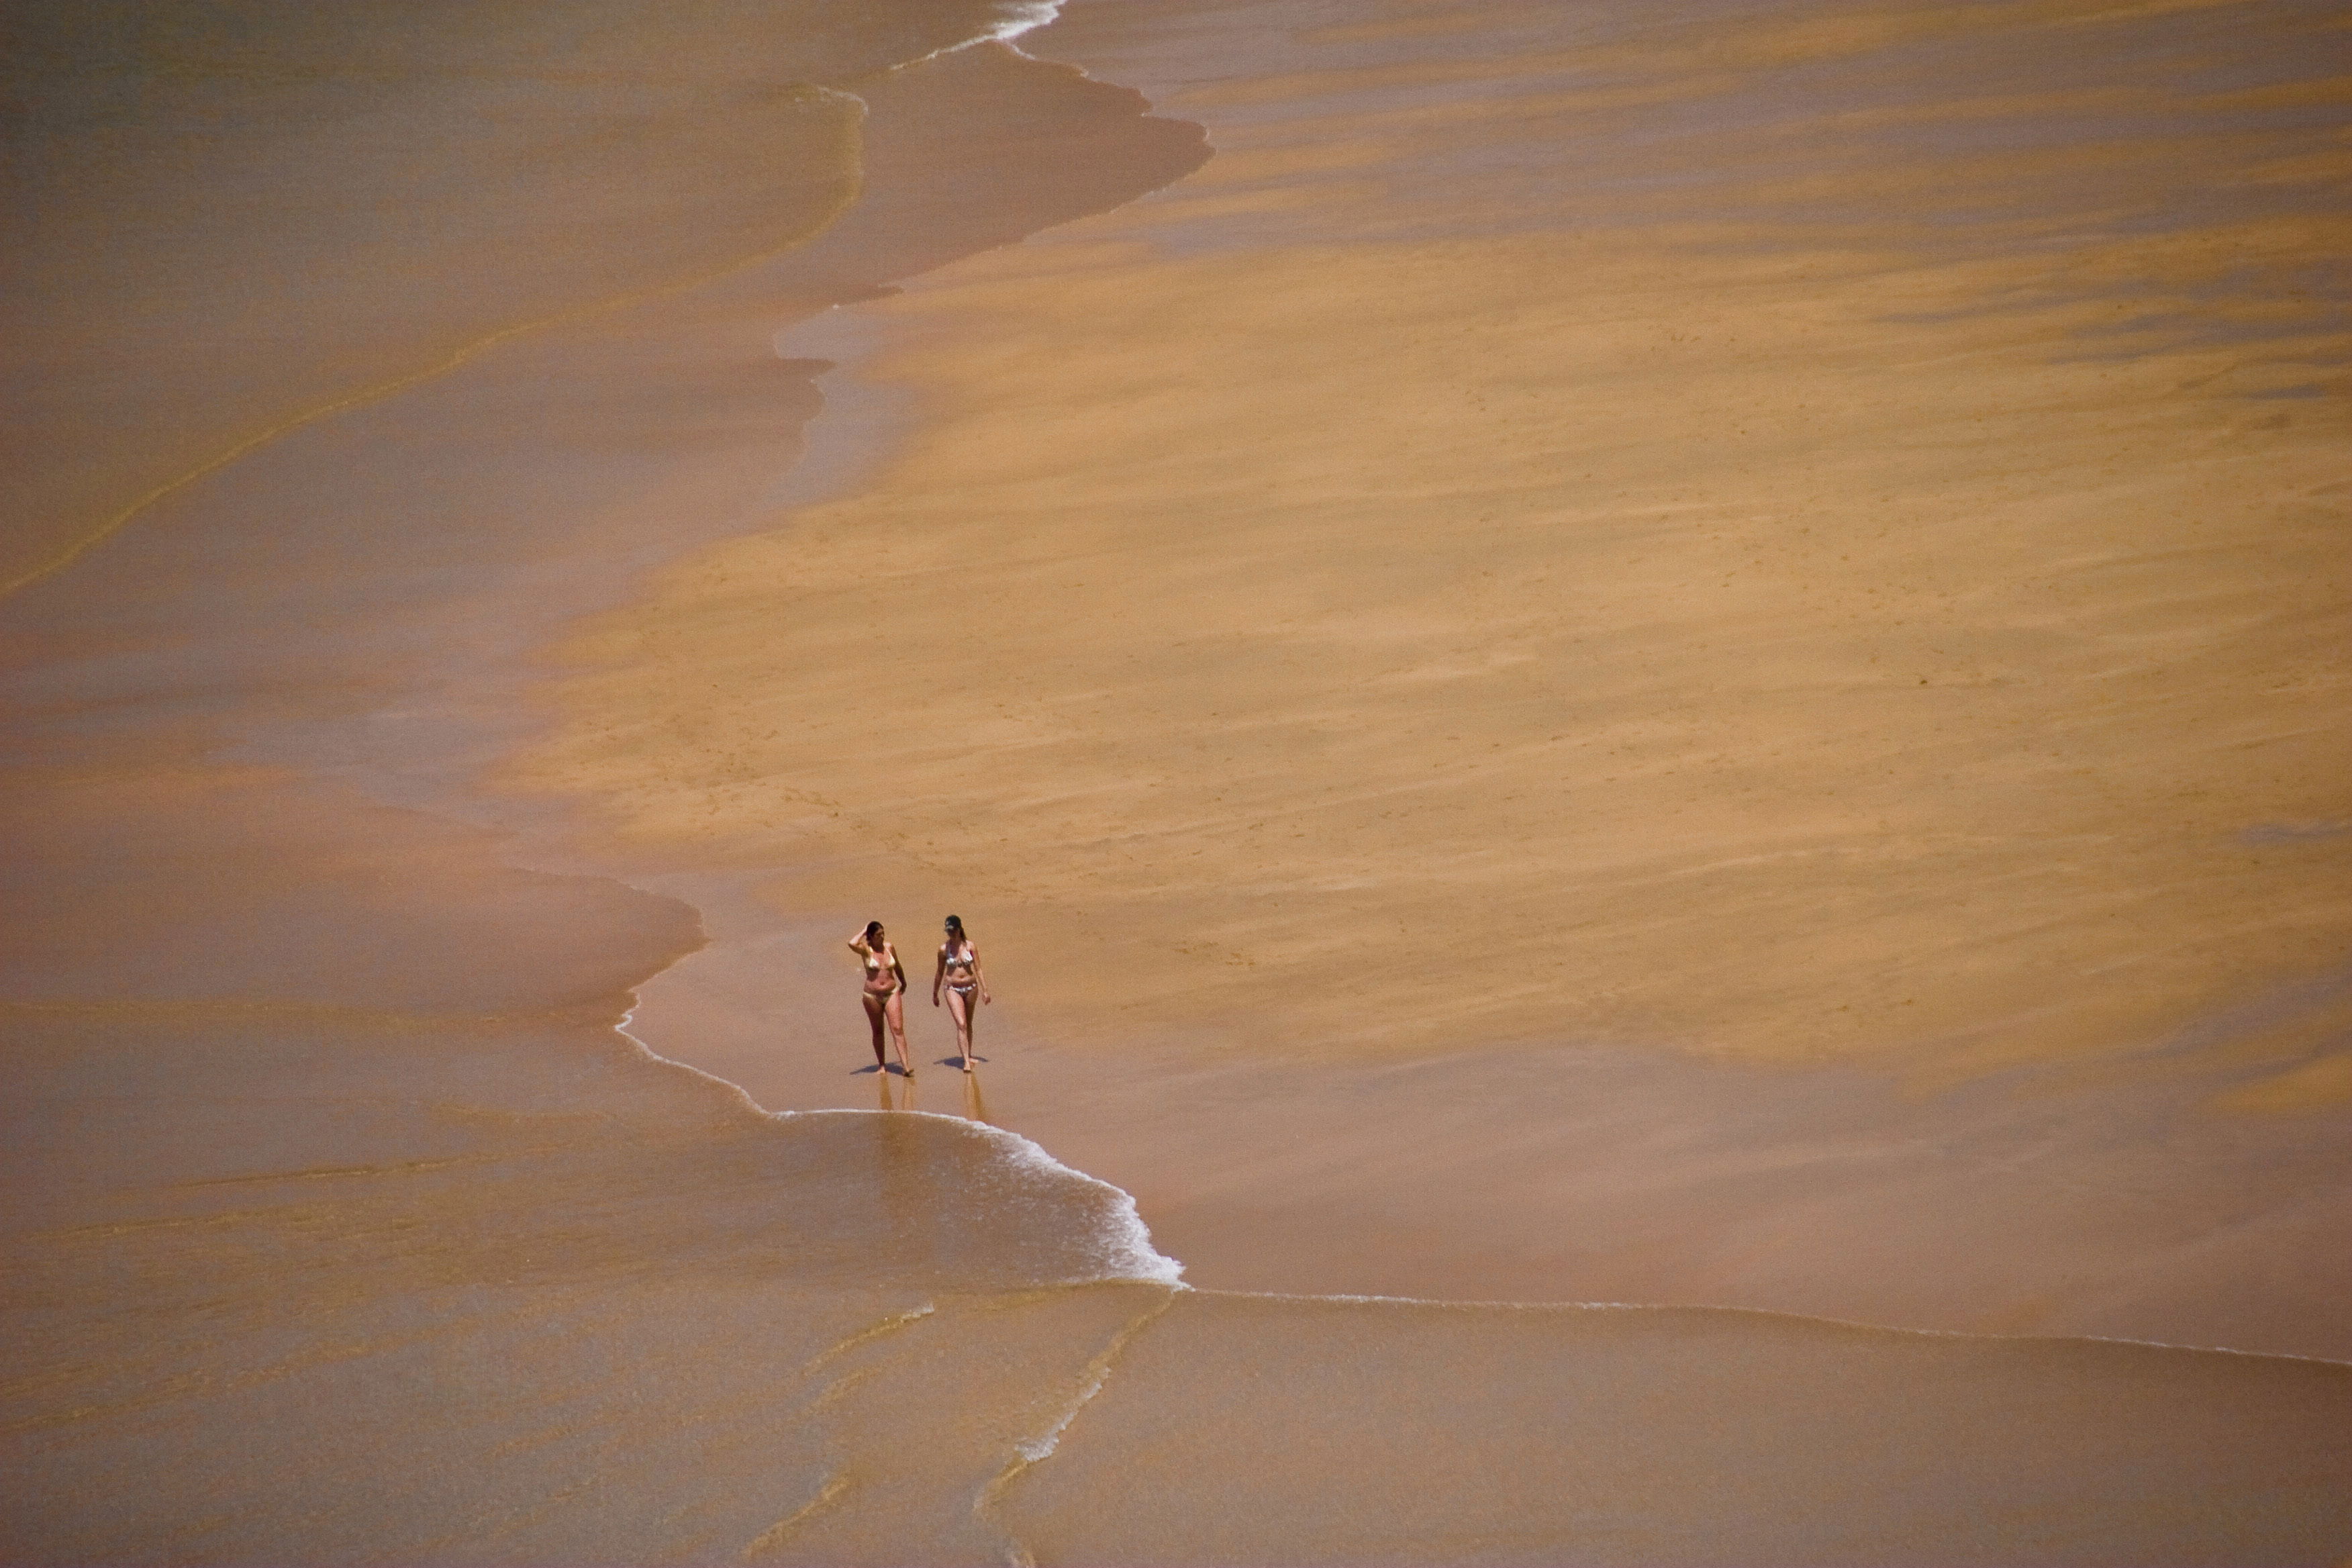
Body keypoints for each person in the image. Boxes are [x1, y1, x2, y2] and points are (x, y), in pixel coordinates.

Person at [847, 920, 912, 1076]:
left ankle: (906, 1066)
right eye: (878, 935)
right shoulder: (865, 950)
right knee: (878, 1031)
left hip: (891, 992)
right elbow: (851, 943)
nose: (882, 937)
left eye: (883, 934)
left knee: (897, 1029)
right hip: (872, 995)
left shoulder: (889, 948)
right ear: (871, 936)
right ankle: (882, 1065)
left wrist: (903, 982)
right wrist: (863, 930)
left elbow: (898, 966)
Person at [932, 914, 991, 1073]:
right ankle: (965, 1061)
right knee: (961, 1023)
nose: (950, 934)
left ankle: (969, 1054)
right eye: (948, 931)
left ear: (959, 929)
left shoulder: (970, 946)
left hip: (971, 987)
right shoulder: (944, 950)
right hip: (952, 988)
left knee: (969, 1023)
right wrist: (935, 993)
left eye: (952, 930)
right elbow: (939, 972)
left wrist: (985, 990)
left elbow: (978, 968)